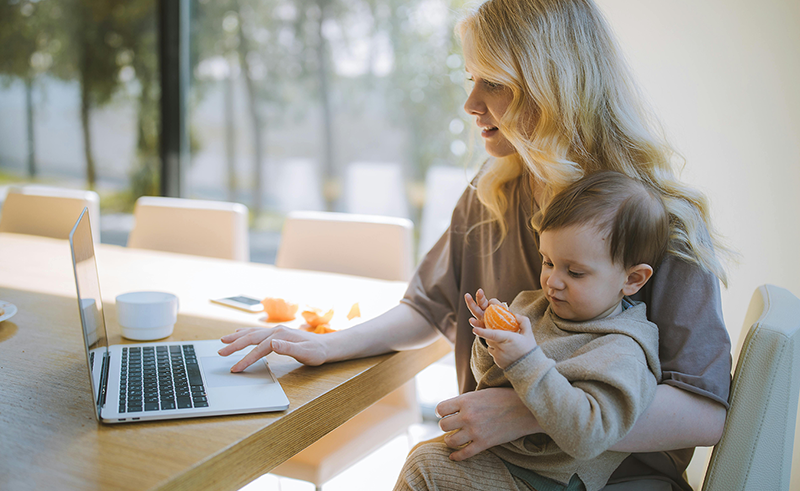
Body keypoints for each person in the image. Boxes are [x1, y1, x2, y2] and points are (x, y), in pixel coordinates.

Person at [219, 0, 732, 488]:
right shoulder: (492, 191)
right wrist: (327, 345)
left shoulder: (658, 218)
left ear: (552, 86)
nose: (470, 104)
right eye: (471, 80)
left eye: (495, 83)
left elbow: (704, 411)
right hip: (494, 467)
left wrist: (527, 413)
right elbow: (428, 306)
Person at [395, 170, 668, 491]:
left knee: (425, 468)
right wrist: (491, 343)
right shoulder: (535, 306)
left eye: (575, 272)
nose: (553, 280)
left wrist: (525, 359)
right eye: (548, 262)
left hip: (548, 481)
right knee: (425, 454)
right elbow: (490, 381)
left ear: (632, 279)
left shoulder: (623, 349)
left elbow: (589, 436)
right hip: (505, 459)